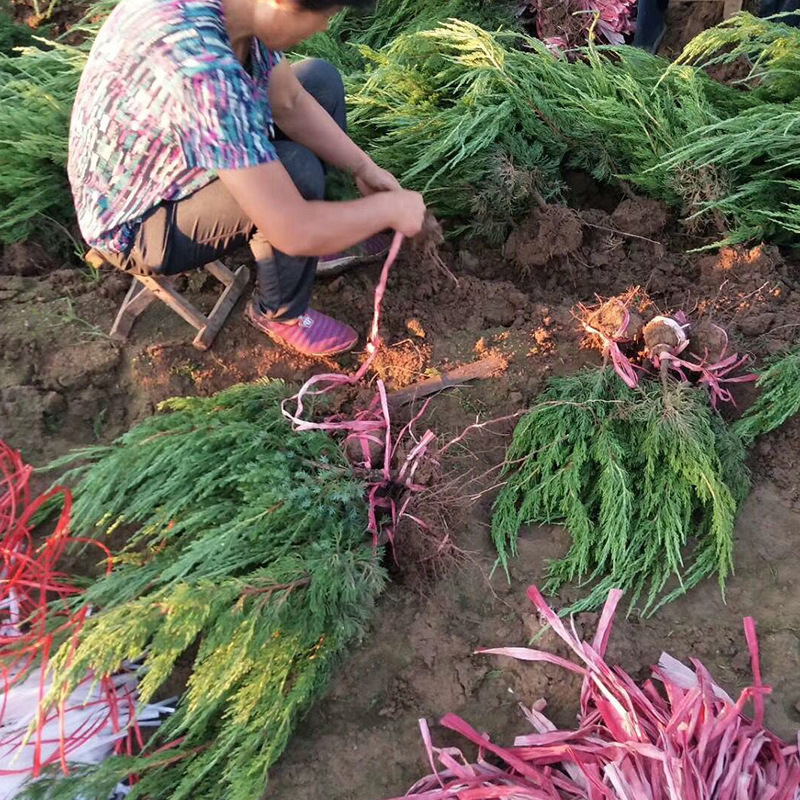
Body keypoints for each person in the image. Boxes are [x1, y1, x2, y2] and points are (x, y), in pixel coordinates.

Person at [68, 0, 427, 357]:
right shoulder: (199, 65)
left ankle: (315, 250)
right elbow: (293, 228)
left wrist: (365, 169)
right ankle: (280, 313)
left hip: (180, 153)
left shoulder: (238, 14)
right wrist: (388, 209)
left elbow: (289, 102)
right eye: (324, 16)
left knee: (320, 81)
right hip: (139, 217)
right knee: (295, 171)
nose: (324, 28)